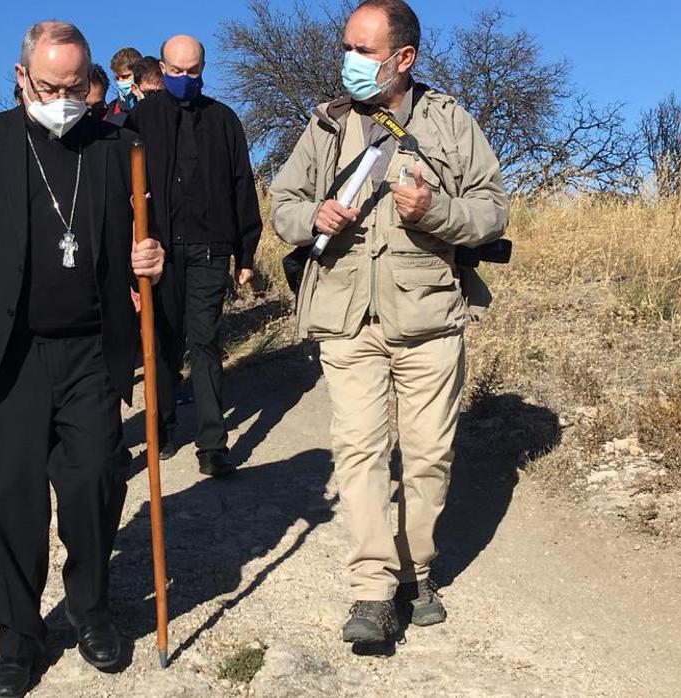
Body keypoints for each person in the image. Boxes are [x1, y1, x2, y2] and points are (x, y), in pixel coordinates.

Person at [0, 20, 164, 698]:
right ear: (21, 77)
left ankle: (90, 609)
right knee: (8, 499)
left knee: (93, 485)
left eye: (76, 86)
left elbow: (144, 236)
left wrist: (151, 259)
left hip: (89, 349)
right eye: (49, 86)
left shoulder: (119, 147)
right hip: (8, 349)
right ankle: (18, 635)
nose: (64, 98)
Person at [269, 0, 508, 645]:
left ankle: (414, 569)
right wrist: (311, 218)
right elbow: (282, 205)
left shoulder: (452, 122)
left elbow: (490, 213)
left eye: (365, 51)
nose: (349, 61)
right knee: (359, 454)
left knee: (429, 455)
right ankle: (373, 589)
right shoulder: (326, 126)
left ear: (403, 59)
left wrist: (433, 209)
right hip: (346, 319)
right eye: (346, 46)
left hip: (428, 316)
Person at [127, 35, 262, 478]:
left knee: (205, 343)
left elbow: (243, 183)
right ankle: (163, 429)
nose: (184, 79)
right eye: (176, 71)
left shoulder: (224, 120)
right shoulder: (141, 118)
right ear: (161, 68)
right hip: (159, 253)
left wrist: (246, 251)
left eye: (193, 72)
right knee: (162, 341)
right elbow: (122, 186)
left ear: (203, 69)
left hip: (209, 249)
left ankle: (212, 444)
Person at [104, 47, 141, 126]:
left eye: (125, 77)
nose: (120, 82)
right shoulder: (111, 110)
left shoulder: (154, 103)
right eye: (117, 78)